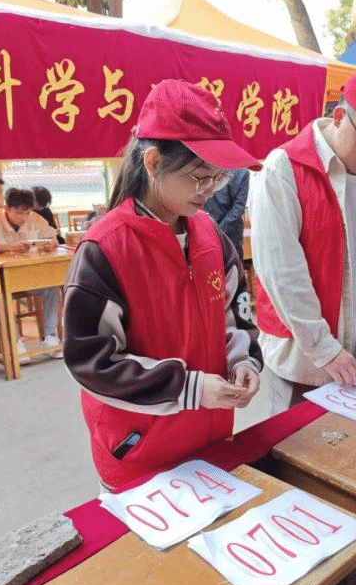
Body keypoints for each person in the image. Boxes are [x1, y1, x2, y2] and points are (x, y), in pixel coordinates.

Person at [62, 79, 263, 489]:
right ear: (153, 163)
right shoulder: (106, 249)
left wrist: (243, 362)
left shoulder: (211, 237)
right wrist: (188, 387)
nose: (210, 192)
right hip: (139, 452)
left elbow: (237, 319)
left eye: (219, 178)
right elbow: (92, 362)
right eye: (199, 177)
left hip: (211, 438)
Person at [248, 64, 356, 413]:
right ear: (339, 117)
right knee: (294, 442)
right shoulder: (284, 169)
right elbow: (282, 275)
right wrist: (324, 348)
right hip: (301, 360)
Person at [0, 188, 62, 357]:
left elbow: (53, 237)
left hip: (28, 274)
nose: (23, 218)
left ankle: (49, 336)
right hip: (0, 277)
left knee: (52, 288)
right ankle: (15, 341)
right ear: (7, 208)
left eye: (27, 213)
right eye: (18, 213)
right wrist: (9, 247)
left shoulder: (35, 218)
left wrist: (51, 243)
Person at [203, 169, 249, 261]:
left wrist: (217, 230)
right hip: (215, 229)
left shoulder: (209, 167)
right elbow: (239, 207)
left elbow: (239, 207)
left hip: (224, 232)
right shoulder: (243, 172)